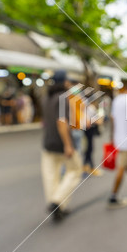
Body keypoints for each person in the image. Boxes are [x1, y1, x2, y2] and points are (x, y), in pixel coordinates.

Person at [41, 70, 83, 222]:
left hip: (47, 142)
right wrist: (68, 145)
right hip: (61, 143)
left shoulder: (46, 97)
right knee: (75, 171)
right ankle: (57, 202)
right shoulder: (63, 98)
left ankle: (58, 206)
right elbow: (62, 122)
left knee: (51, 176)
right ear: (64, 82)